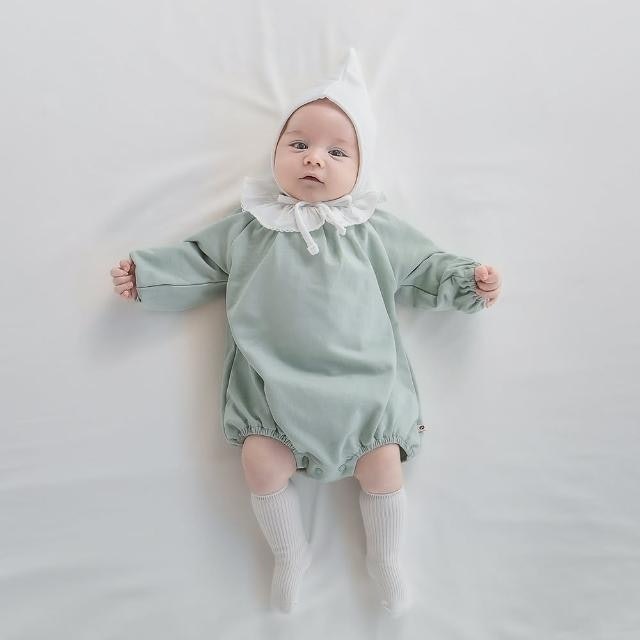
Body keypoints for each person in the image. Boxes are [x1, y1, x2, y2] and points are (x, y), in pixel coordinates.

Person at [109, 48, 502, 616]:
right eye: (299, 144)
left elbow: (425, 268)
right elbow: (197, 261)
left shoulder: (373, 229)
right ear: (276, 153)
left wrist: (469, 282)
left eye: (337, 151)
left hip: (364, 392)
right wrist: (146, 274)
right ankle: (289, 554)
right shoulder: (249, 228)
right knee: (261, 463)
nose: (314, 158)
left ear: (360, 170)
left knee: (383, 467)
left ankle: (385, 558)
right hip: (273, 393)